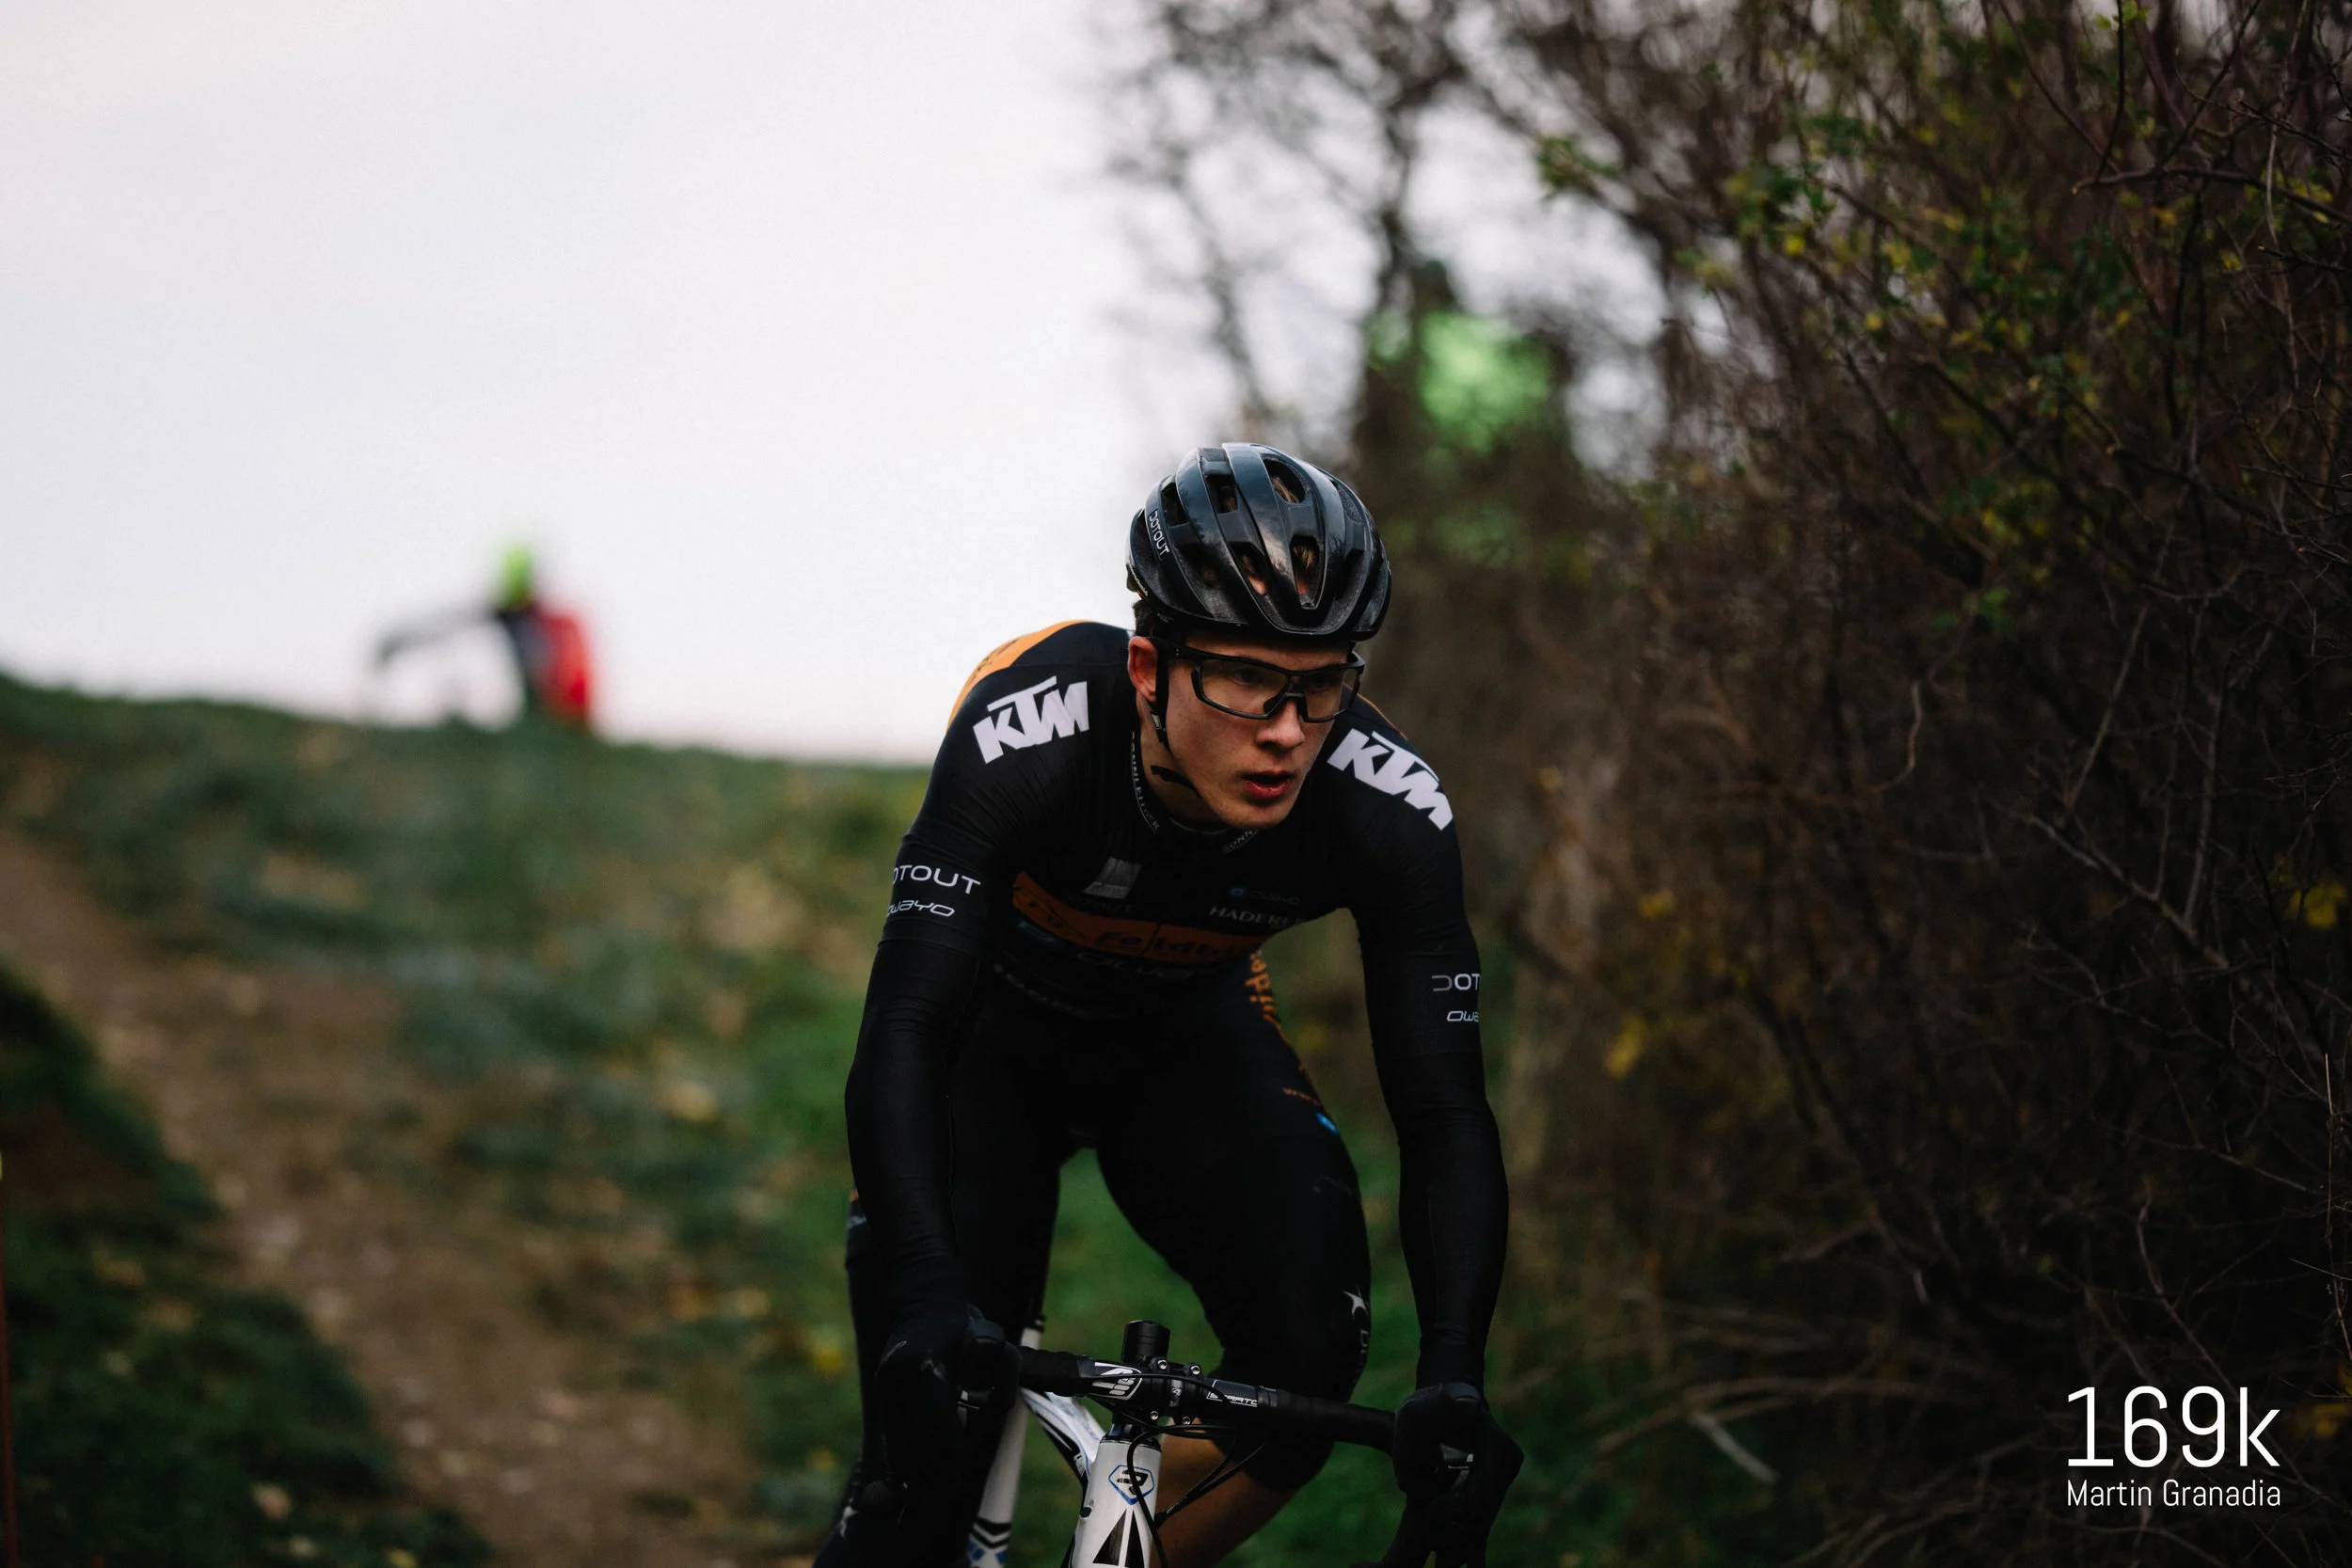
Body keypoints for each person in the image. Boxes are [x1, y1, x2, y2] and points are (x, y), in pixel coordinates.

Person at [820, 443, 1519, 1568]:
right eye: (1245, 679)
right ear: (1148, 667)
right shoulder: (1028, 733)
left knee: (1311, 1343)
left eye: (1321, 684)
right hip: (984, 1046)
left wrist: (1453, 1369)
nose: (1286, 728)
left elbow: (1443, 1114)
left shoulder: (1388, 806)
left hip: (1184, 1044)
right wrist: (924, 1280)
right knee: (926, 1457)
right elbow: (905, 1024)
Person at [373, 545, 595, 730]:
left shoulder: (553, 625)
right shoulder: (507, 615)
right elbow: (450, 619)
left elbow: (569, 676)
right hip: (535, 715)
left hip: (554, 717)